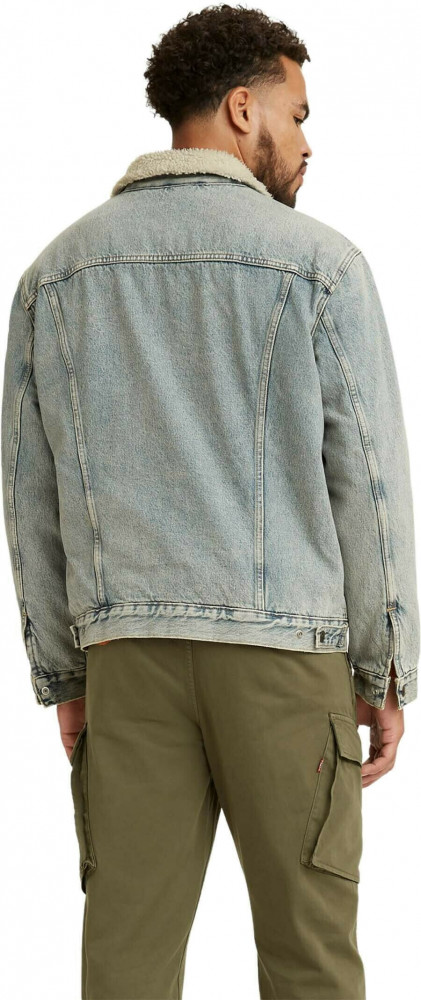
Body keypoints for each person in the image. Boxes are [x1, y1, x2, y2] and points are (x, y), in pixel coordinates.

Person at [1, 6, 419, 999]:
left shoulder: (55, 275)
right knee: (311, 960)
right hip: (286, 664)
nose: (306, 141)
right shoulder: (319, 266)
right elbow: (369, 481)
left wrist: (67, 674)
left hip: (128, 660)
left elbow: (30, 491)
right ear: (241, 109)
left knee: (125, 967)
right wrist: (383, 666)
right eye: (297, 114)